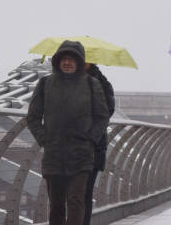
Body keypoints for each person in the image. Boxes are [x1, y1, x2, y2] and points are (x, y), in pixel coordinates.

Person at [27, 40, 109, 225]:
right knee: (56, 205)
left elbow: (102, 116)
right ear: (57, 61)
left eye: (72, 59)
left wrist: (90, 139)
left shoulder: (91, 84)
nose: (67, 62)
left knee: (76, 200)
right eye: (64, 58)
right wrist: (44, 139)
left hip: (81, 154)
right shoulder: (45, 83)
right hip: (54, 154)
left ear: (79, 62)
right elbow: (32, 117)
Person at [83, 64, 116, 225]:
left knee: (85, 193)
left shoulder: (103, 84)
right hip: (68, 146)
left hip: (93, 145)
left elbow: (107, 112)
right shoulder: (65, 82)